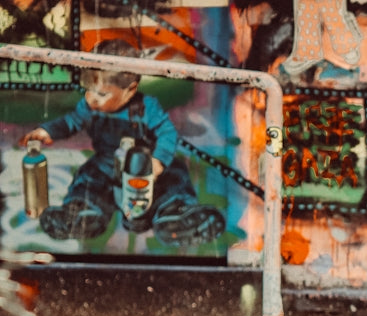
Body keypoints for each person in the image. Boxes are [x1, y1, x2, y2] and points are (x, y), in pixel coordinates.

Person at [19, 38, 224, 247]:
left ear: (130, 89)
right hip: (108, 166)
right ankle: (81, 213)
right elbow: (71, 122)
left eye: (102, 93)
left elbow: (167, 133)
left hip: (145, 169)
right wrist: (48, 130)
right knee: (88, 177)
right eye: (87, 90)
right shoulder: (89, 107)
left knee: (175, 178)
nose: (92, 98)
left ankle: (177, 216)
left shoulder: (147, 108)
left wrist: (158, 161)